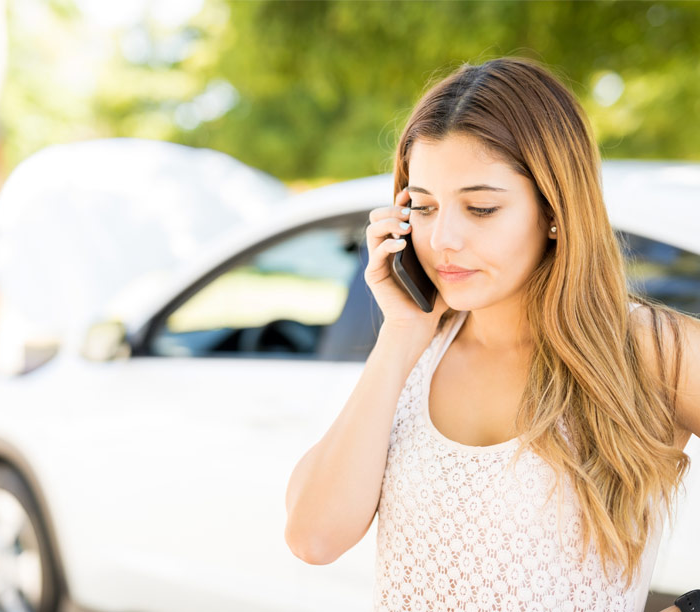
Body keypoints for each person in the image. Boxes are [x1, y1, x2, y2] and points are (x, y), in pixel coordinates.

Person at [283, 56, 699, 612]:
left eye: (480, 208)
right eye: (424, 207)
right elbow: (313, 538)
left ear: (554, 209)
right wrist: (401, 335)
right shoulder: (415, 352)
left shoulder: (650, 349)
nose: (444, 239)